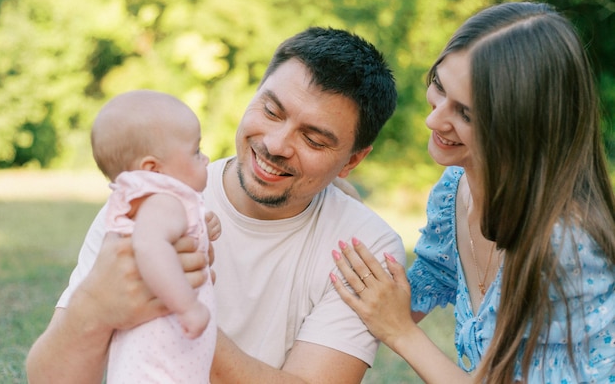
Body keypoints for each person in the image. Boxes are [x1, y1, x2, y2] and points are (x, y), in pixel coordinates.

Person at [26, 26, 407, 383]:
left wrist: (179, 314)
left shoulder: (366, 249)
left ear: (353, 161)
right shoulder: (151, 196)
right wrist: (94, 305)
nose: (276, 144)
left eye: (314, 139)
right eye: (271, 111)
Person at [331, 2, 615, 382]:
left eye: (465, 113)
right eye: (438, 86)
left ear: (524, 127)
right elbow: (418, 286)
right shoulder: (454, 189)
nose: (433, 119)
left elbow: (397, 319)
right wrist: (341, 209)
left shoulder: (566, 246)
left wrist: (401, 332)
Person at [90, 90, 216, 383]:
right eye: (196, 151)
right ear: (153, 170)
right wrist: (188, 307)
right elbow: (148, 246)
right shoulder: (164, 201)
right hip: (159, 366)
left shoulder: (152, 206)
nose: (206, 158)